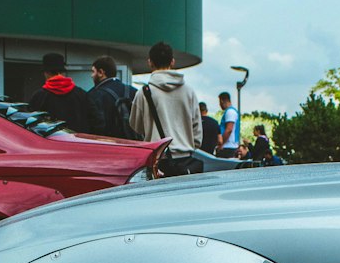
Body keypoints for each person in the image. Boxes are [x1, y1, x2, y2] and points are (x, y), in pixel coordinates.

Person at [129, 41, 203, 176]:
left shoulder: (144, 92)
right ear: (173, 62)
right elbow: (197, 131)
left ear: (150, 62)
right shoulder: (189, 91)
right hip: (185, 162)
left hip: (157, 161)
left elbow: (135, 126)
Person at [27, 52, 92, 133]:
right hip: (76, 142)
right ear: (62, 72)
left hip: (49, 143)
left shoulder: (39, 96)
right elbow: (94, 121)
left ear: (46, 73)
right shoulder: (82, 94)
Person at [87, 55, 137, 138]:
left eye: (93, 71)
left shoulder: (94, 95)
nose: (91, 75)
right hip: (133, 144)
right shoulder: (133, 91)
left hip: (108, 145)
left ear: (101, 72)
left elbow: (95, 126)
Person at [216, 91, 240, 158]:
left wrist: (221, 144)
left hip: (228, 146)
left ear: (222, 101)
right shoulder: (232, 111)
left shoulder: (230, 112)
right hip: (230, 146)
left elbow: (229, 129)